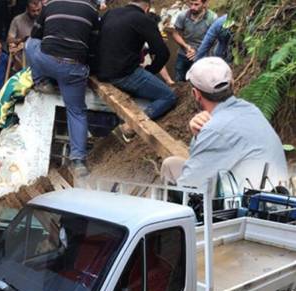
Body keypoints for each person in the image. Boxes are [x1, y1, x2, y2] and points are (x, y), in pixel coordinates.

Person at [160, 57, 288, 189]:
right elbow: (200, 161)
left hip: (252, 204)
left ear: (196, 94)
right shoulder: (251, 109)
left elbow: (190, 186)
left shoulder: (216, 129)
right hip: (274, 193)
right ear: (232, 84)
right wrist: (198, 135)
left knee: (181, 188)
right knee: (172, 165)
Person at [25, 0, 99, 177]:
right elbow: (94, 46)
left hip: (47, 62)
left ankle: (42, 81)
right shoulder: (92, 10)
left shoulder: (51, 5)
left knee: (30, 43)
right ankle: (78, 162)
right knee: (77, 112)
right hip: (73, 69)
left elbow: (36, 34)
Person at [96, 0, 177, 138]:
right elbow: (163, 53)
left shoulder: (110, 13)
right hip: (123, 74)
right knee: (168, 96)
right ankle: (131, 126)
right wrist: (151, 70)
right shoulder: (143, 19)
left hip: (100, 70)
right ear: (147, 8)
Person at [171, 0, 217, 81]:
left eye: (196, 4)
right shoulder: (183, 16)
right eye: (190, 4)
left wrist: (199, 52)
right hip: (184, 52)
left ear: (205, 4)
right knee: (179, 79)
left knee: (200, 81)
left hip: (203, 55)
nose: (192, 7)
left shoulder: (212, 18)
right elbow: (175, 33)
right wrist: (186, 46)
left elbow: (215, 40)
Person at [7, 0, 42, 69]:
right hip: (21, 62)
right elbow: (9, 40)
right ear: (27, 9)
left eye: (38, 10)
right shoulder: (17, 20)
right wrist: (21, 40)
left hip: (38, 63)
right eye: (33, 11)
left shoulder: (43, 19)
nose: (36, 13)